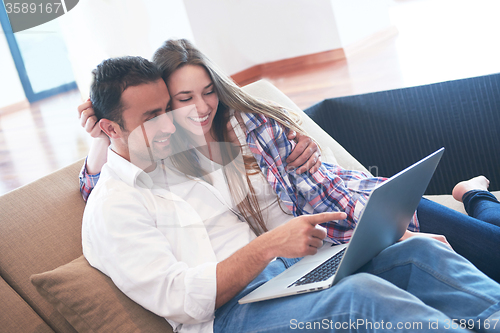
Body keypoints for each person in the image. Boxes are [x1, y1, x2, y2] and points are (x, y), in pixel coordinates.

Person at [81, 55, 500, 333]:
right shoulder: (113, 207)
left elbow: (260, 167)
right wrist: (267, 248)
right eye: (152, 117)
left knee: (417, 255)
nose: (173, 123)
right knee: (359, 297)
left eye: (167, 109)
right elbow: (179, 300)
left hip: (285, 278)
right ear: (109, 128)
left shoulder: (176, 156)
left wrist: (304, 146)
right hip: (229, 316)